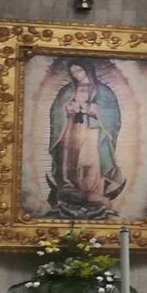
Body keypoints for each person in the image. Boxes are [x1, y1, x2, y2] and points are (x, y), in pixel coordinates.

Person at [46, 59, 125, 218]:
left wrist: (95, 110)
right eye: (73, 72)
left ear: (88, 70)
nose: (76, 75)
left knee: (89, 162)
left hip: (92, 132)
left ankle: (93, 193)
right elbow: (55, 111)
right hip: (69, 131)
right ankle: (70, 191)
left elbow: (113, 115)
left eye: (79, 71)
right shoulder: (67, 90)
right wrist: (66, 109)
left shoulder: (103, 91)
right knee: (69, 161)